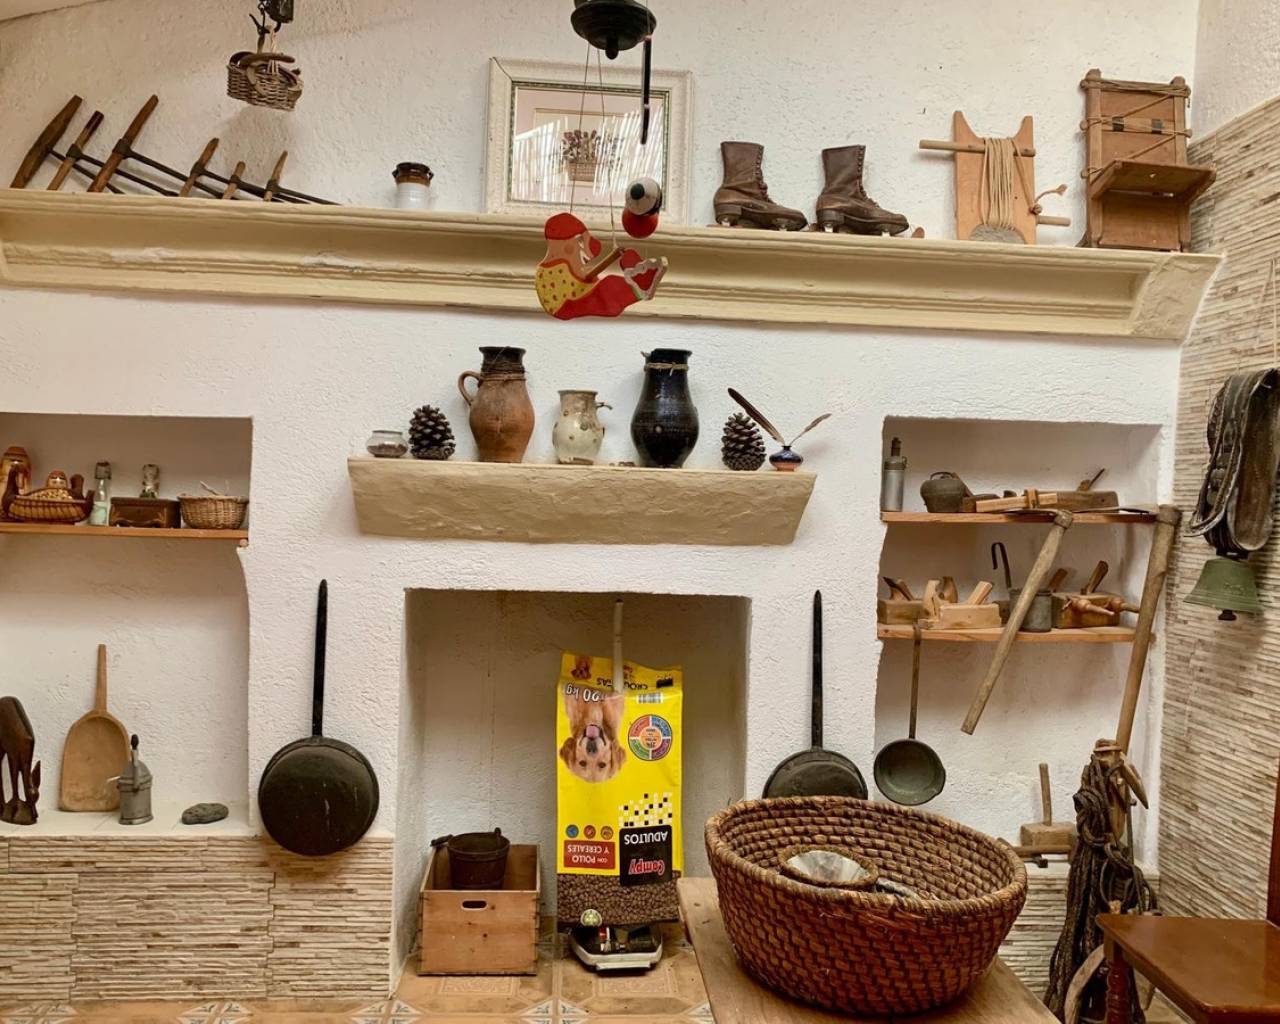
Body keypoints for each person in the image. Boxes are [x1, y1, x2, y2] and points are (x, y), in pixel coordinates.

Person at [535, 212, 666, 320]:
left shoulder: (561, 263)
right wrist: (590, 277)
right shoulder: (555, 268)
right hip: (566, 305)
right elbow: (578, 282)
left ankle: (638, 274)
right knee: (609, 286)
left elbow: (583, 278)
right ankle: (640, 286)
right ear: (567, 245)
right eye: (580, 241)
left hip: (575, 297)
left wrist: (592, 274)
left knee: (619, 269)